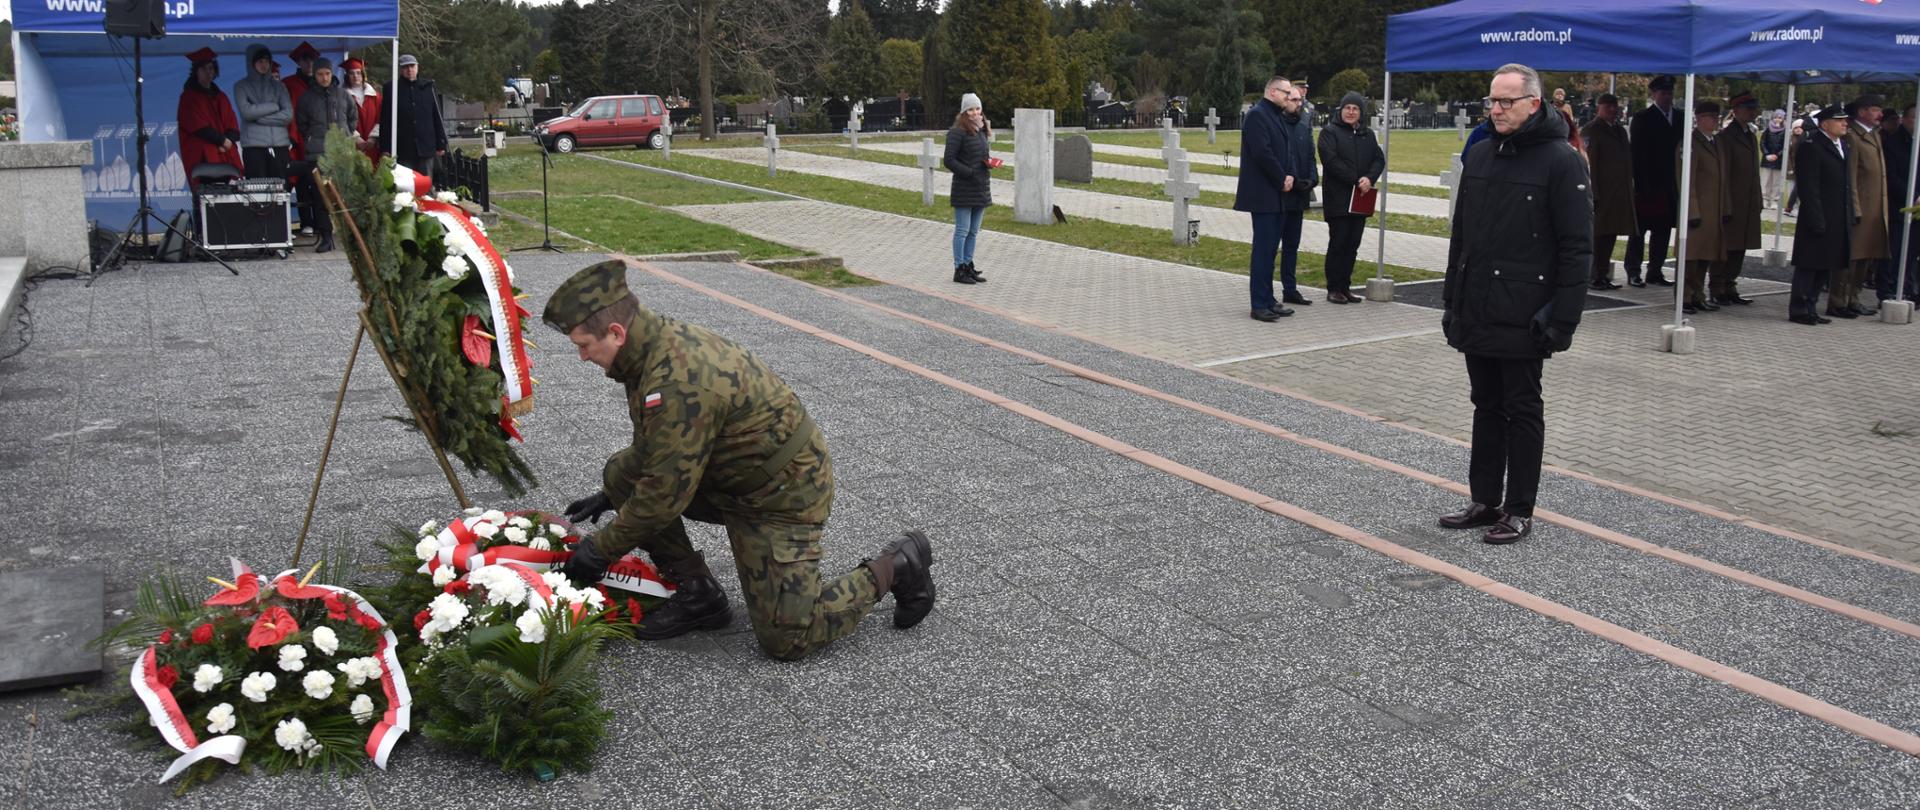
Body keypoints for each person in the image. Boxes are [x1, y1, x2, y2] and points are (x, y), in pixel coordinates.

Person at [544, 260, 936, 660]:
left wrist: (598, 552)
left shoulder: (677, 379)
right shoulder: (648, 349)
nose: (582, 356)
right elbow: (660, 450)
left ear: (616, 332)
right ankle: (699, 595)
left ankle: (898, 564)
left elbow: (663, 495)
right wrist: (615, 493)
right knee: (622, 475)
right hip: (732, 477)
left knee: (789, 638)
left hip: (782, 495)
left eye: (583, 345)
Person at [1438, 63, 1591, 546]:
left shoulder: (1561, 161)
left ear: (1534, 103)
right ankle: (1484, 499)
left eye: (1506, 101)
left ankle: (1519, 508)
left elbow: (1576, 247)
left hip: (1526, 313)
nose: (1497, 109)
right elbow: (1461, 236)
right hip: (1478, 304)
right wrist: (1452, 300)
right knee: (1485, 405)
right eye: (1493, 101)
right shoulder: (1482, 153)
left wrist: (1563, 319)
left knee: (1522, 408)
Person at [1233, 76, 1298, 321]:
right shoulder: (1257, 116)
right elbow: (1262, 153)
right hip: (1263, 193)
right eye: (1286, 93)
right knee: (1263, 251)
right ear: (1272, 92)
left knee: (1271, 251)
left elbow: (1286, 150)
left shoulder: (1276, 116)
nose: (1289, 97)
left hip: (1278, 193)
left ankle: (1269, 299)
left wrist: (1289, 174)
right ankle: (1259, 304)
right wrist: (1281, 178)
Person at [1316, 91, 1384, 304]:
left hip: (1360, 199)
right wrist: (1356, 180)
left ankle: (1345, 286)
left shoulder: (1367, 134)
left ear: (1361, 113)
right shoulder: (1329, 132)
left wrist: (1369, 179)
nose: (1351, 112)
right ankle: (1333, 287)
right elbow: (1331, 161)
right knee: (1338, 243)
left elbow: (1379, 159)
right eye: (1347, 108)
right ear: (1341, 110)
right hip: (1338, 199)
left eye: (1355, 109)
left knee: (1353, 245)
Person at [1788, 105, 1852, 325]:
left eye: (1845, 120)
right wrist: (1816, 218)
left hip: (1837, 215)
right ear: (1825, 123)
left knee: (1826, 263)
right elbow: (1809, 186)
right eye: (1839, 120)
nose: (1845, 123)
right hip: (1817, 215)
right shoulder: (1812, 146)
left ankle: (1811, 306)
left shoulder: (1842, 145)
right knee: (1809, 264)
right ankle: (1799, 309)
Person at [295, 58, 357, 253]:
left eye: (327, 74)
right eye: (320, 74)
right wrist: (313, 139)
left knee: (344, 195)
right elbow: (302, 124)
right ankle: (326, 237)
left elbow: (352, 118)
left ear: (332, 74)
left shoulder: (343, 95)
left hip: (341, 153)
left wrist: (344, 136)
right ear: (315, 75)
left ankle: (349, 237)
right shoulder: (306, 98)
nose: (324, 78)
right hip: (318, 154)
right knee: (320, 198)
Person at [1627, 75, 1683, 287]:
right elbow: (1637, 154)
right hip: (1648, 183)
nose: (1667, 97)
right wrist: (1640, 185)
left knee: (1663, 230)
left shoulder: (1680, 117)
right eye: (1663, 93)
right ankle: (1633, 271)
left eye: (1669, 93)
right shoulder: (1643, 118)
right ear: (1654, 94)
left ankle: (1655, 270)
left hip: (1670, 184)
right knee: (1639, 231)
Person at [1677, 101, 1730, 315]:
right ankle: (1684, 297)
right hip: (1697, 210)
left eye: (1717, 117)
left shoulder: (1716, 143)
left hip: (1713, 210)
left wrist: (1726, 208)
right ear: (1699, 119)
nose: (1715, 121)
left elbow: (1723, 179)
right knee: (1690, 257)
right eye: (1711, 117)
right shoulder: (1690, 143)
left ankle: (1698, 295)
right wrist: (1692, 211)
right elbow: (1685, 179)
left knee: (1705, 256)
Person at [1838, 95, 1888, 318]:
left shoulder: (1874, 134)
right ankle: (1840, 299)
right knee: (1852, 256)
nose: (1880, 115)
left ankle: (1854, 298)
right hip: (1860, 207)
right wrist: (1855, 208)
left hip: (1875, 207)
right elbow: (1851, 176)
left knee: (1866, 256)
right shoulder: (1852, 136)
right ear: (1862, 112)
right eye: (1875, 110)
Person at [1714, 93, 1764, 306]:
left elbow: (1754, 172)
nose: (1752, 112)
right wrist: (1725, 204)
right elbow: (1723, 174)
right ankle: (1717, 287)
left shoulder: (1750, 135)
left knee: (1740, 246)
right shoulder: (1726, 137)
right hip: (1733, 201)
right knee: (1726, 246)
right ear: (1736, 111)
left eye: (1753, 108)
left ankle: (1730, 285)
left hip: (1747, 201)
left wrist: (1758, 198)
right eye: (1748, 109)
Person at [1581, 93, 1635, 290]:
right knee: (1598, 236)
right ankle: (1593, 275)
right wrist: (1592, 192)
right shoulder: (1591, 130)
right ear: (1599, 108)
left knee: (1610, 234)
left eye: (1614, 106)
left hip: (1618, 192)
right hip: (1601, 193)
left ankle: (1602, 274)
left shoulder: (1619, 130)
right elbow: (1589, 164)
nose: (1612, 110)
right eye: (1608, 106)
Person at [175, 47, 243, 190]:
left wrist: (228, 141)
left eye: (211, 68)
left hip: (223, 151)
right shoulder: (188, 97)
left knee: (226, 190)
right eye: (204, 69)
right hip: (203, 153)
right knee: (205, 191)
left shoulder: (221, 96)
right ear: (196, 71)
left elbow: (231, 121)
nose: (208, 72)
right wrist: (222, 141)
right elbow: (196, 124)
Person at [1278, 82, 1319, 307]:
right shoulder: (1277, 125)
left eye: (1300, 100)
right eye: (1294, 99)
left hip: (1300, 193)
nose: (1298, 103)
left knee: (1292, 246)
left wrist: (1312, 179)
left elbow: (1310, 155)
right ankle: (1266, 291)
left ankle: (1290, 288)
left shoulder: (1303, 125)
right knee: (1272, 246)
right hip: (1282, 194)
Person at [943, 92, 992, 285]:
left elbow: (981, 155)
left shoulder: (981, 130)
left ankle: (968, 264)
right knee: (962, 230)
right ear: (964, 111)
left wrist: (989, 163)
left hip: (980, 187)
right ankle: (959, 268)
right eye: (970, 109)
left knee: (973, 231)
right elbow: (949, 160)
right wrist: (969, 172)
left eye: (977, 108)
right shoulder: (957, 132)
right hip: (964, 187)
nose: (975, 113)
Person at [379, 54, 448, 180]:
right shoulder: (391, 88)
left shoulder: (428, 87)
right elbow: (385, 120)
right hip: (403, 147)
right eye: (405, 67)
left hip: (426, 146)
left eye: (412, 66)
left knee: (425, 183)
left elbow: (437, 116)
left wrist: (441, 143)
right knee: (405, 185)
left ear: (417, 67)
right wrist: (385, 147)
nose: (409, 70)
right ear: (400, 69)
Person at [234, 44, 295, 182]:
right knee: (257, 191)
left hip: (279, 146)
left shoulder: (279, 86)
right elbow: (246, 113)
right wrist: (274, 106)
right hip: (254, 148)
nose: (264, 65)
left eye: (267, 61)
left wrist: (260, 118)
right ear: (252, 63)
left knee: (282, 189)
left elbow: (288, 115)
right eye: (260, 61)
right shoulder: (241, 86)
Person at [1879, 104, 1917, 305]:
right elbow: (1891, 177)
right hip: (1899, 207)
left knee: (1911, 253)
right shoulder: (1893, 143)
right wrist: (1914, 196)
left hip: (1916, 209)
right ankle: (1889, 290)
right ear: (1905, 119)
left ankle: (1908, 289)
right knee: (1895, 252)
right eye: (1915, 118)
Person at [341, 58, 382, 160]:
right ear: (347, 76)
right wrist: (356, 138)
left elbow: (380, 118)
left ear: (363, 75)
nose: (355, 76)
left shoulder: (375, 96)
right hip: (351, 145)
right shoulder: (341, 96)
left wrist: (373, 138)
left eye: (358, 73)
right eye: (351, 73)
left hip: (372, 146)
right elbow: (342, 120)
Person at [1762, 110, 1788, 208]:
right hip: (1767, 159)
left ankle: (1774, 200)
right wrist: (1767, 154)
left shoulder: (1785, 131)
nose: (1777, 119)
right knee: (1766, 181)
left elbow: (1785, 145)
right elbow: (1763, 142)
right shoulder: (1768, 130)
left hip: (1779, 160)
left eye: (1780, 118)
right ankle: (1765, 199)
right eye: (1776, 117)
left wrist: (1778, 155)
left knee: (1776, 182)